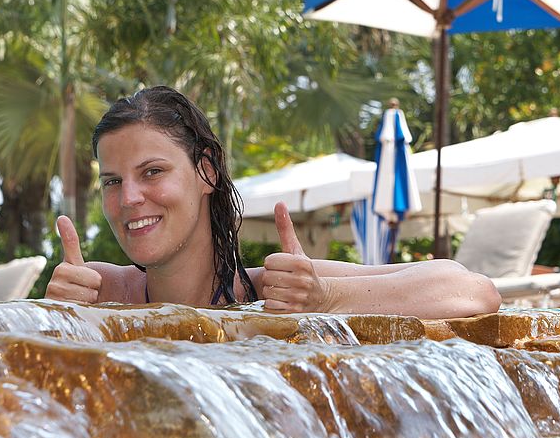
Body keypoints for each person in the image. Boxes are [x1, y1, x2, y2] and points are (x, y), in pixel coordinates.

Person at [45, 86, 502, 318]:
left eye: (152, 172)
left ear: (206, 171)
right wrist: (58, 318)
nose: (128, 198)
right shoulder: (104, 294)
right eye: (111, 181)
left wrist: (326, 298)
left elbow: (472, 291)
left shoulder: (271, 290)